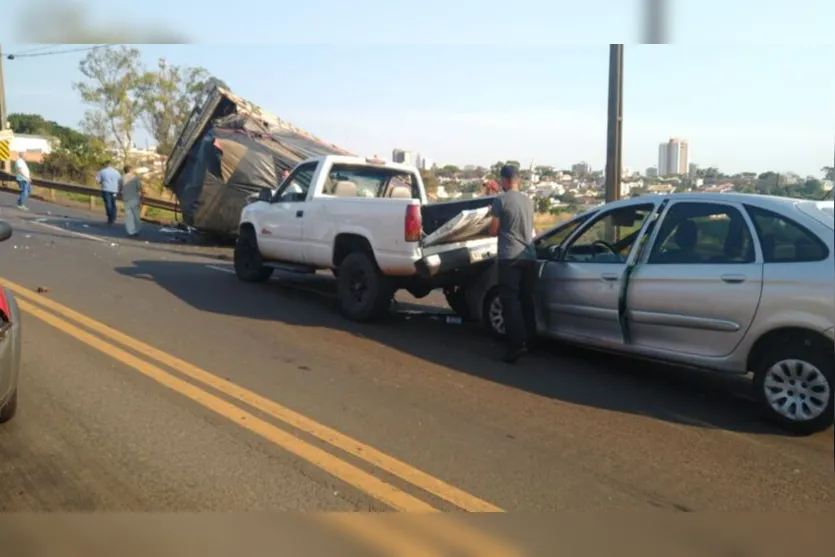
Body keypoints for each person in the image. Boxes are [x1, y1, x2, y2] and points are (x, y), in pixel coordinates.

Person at [488, 164, 537, 363]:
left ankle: (516, 346)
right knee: (527, 300)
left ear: (505, 180)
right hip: (529, 256)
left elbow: (493, 230)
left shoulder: (500, 200)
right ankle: (531, 341)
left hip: (509, 257)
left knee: (510, 302)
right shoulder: (529, 201)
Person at [119, 165, 142, 237]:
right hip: (135, 198)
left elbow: (120, 188)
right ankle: (136, 230)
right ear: (131, 170)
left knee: (129, 215)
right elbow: (139, 188)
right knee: (135, 214)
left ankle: (131, 231)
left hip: (126, 198)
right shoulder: (135, 178)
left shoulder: (121, 178)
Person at [95, 160, 121, 225]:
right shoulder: (117, 172)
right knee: (113, 204)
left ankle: (110, 217)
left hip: (106, 189)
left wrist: (102, 182)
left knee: (108, 203)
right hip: (114, 190)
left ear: (105, 165)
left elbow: (97, 181)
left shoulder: (102, 171)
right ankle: (113, 217)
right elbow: (120, 181)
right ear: (111, 165)